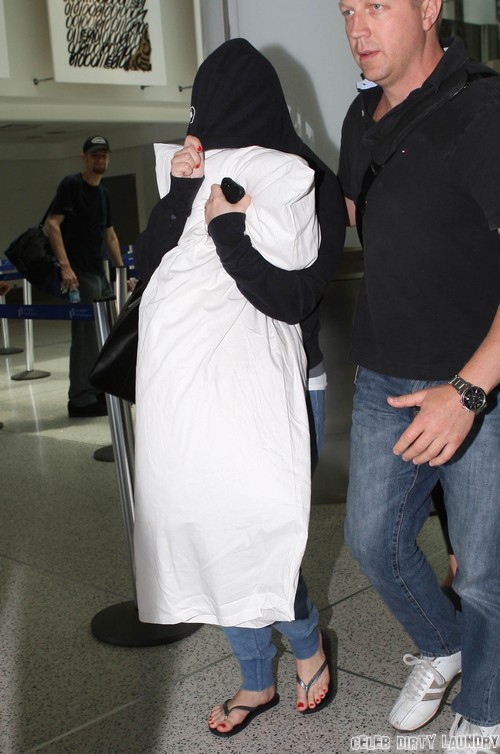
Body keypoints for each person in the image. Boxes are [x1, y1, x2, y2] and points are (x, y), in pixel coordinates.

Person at [132, 39, 346, 737]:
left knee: (259, 530)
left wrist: (229, 235)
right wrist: (181, 195)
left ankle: (307, 643)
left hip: (287, 384)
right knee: (212, 523)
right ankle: (257, 679)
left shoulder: (308, 181)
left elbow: (295, 298)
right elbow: (149, 266)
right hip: (204, 386)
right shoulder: (198, 172)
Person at [337, 1, 500, 750]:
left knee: (483, 573)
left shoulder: (483, 110)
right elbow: (360, 220)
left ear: (430, 7)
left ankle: (487, 709)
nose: (357, 28)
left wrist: (468, 392)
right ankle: (444, 645)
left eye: (376, 5)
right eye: (346, 10)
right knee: (373, 542)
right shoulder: (358, 118)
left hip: (478, 385)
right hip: (385, 377)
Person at [46, 136, 123, 417]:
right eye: (95, 156)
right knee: (85, 338)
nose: (100, 160)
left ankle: (98, 390)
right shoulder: (71, 185)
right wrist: (65, 266)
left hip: (98, 272)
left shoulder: (103, 193)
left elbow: (110, 235)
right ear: (84, 158)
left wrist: (120, 271)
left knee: (105, 336)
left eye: (104, 155)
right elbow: (52, 224)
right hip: (79, 274)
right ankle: (79, 399)